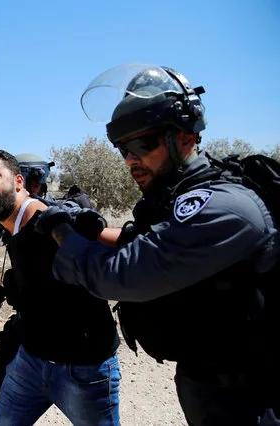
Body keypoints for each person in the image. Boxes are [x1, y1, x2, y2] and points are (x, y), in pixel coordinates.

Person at [41, 64, 279, 425]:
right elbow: (151, 240)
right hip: (210, 383)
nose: (131, 160)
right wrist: (91, 229)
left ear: (185, 137)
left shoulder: (225, 206)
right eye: (123, 149)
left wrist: (61, 230)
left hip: (255, 399)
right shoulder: (176, 197)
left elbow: (118, 275)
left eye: (142, 143)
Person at [0, 149, 121, 426]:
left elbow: (111, 247)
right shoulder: (10, 226)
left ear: (19, 182)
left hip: (84, 368)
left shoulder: (51, 221)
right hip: (31, 360)